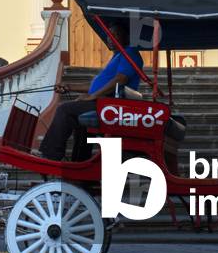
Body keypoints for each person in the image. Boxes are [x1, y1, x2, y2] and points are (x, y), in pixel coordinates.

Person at [39, 23, 143, 161]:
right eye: (109, 35)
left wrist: (93, 96)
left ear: (126, 36)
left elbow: (121, 79)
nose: (110, 38)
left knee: (65, 110)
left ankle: (50, 155)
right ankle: (79, 163)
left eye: (115, 35)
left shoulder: (129, 53)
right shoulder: (118, 56)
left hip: (112, 105)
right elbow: (95, 85)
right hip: (105, 101)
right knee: (77, 117)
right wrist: (69, 86)